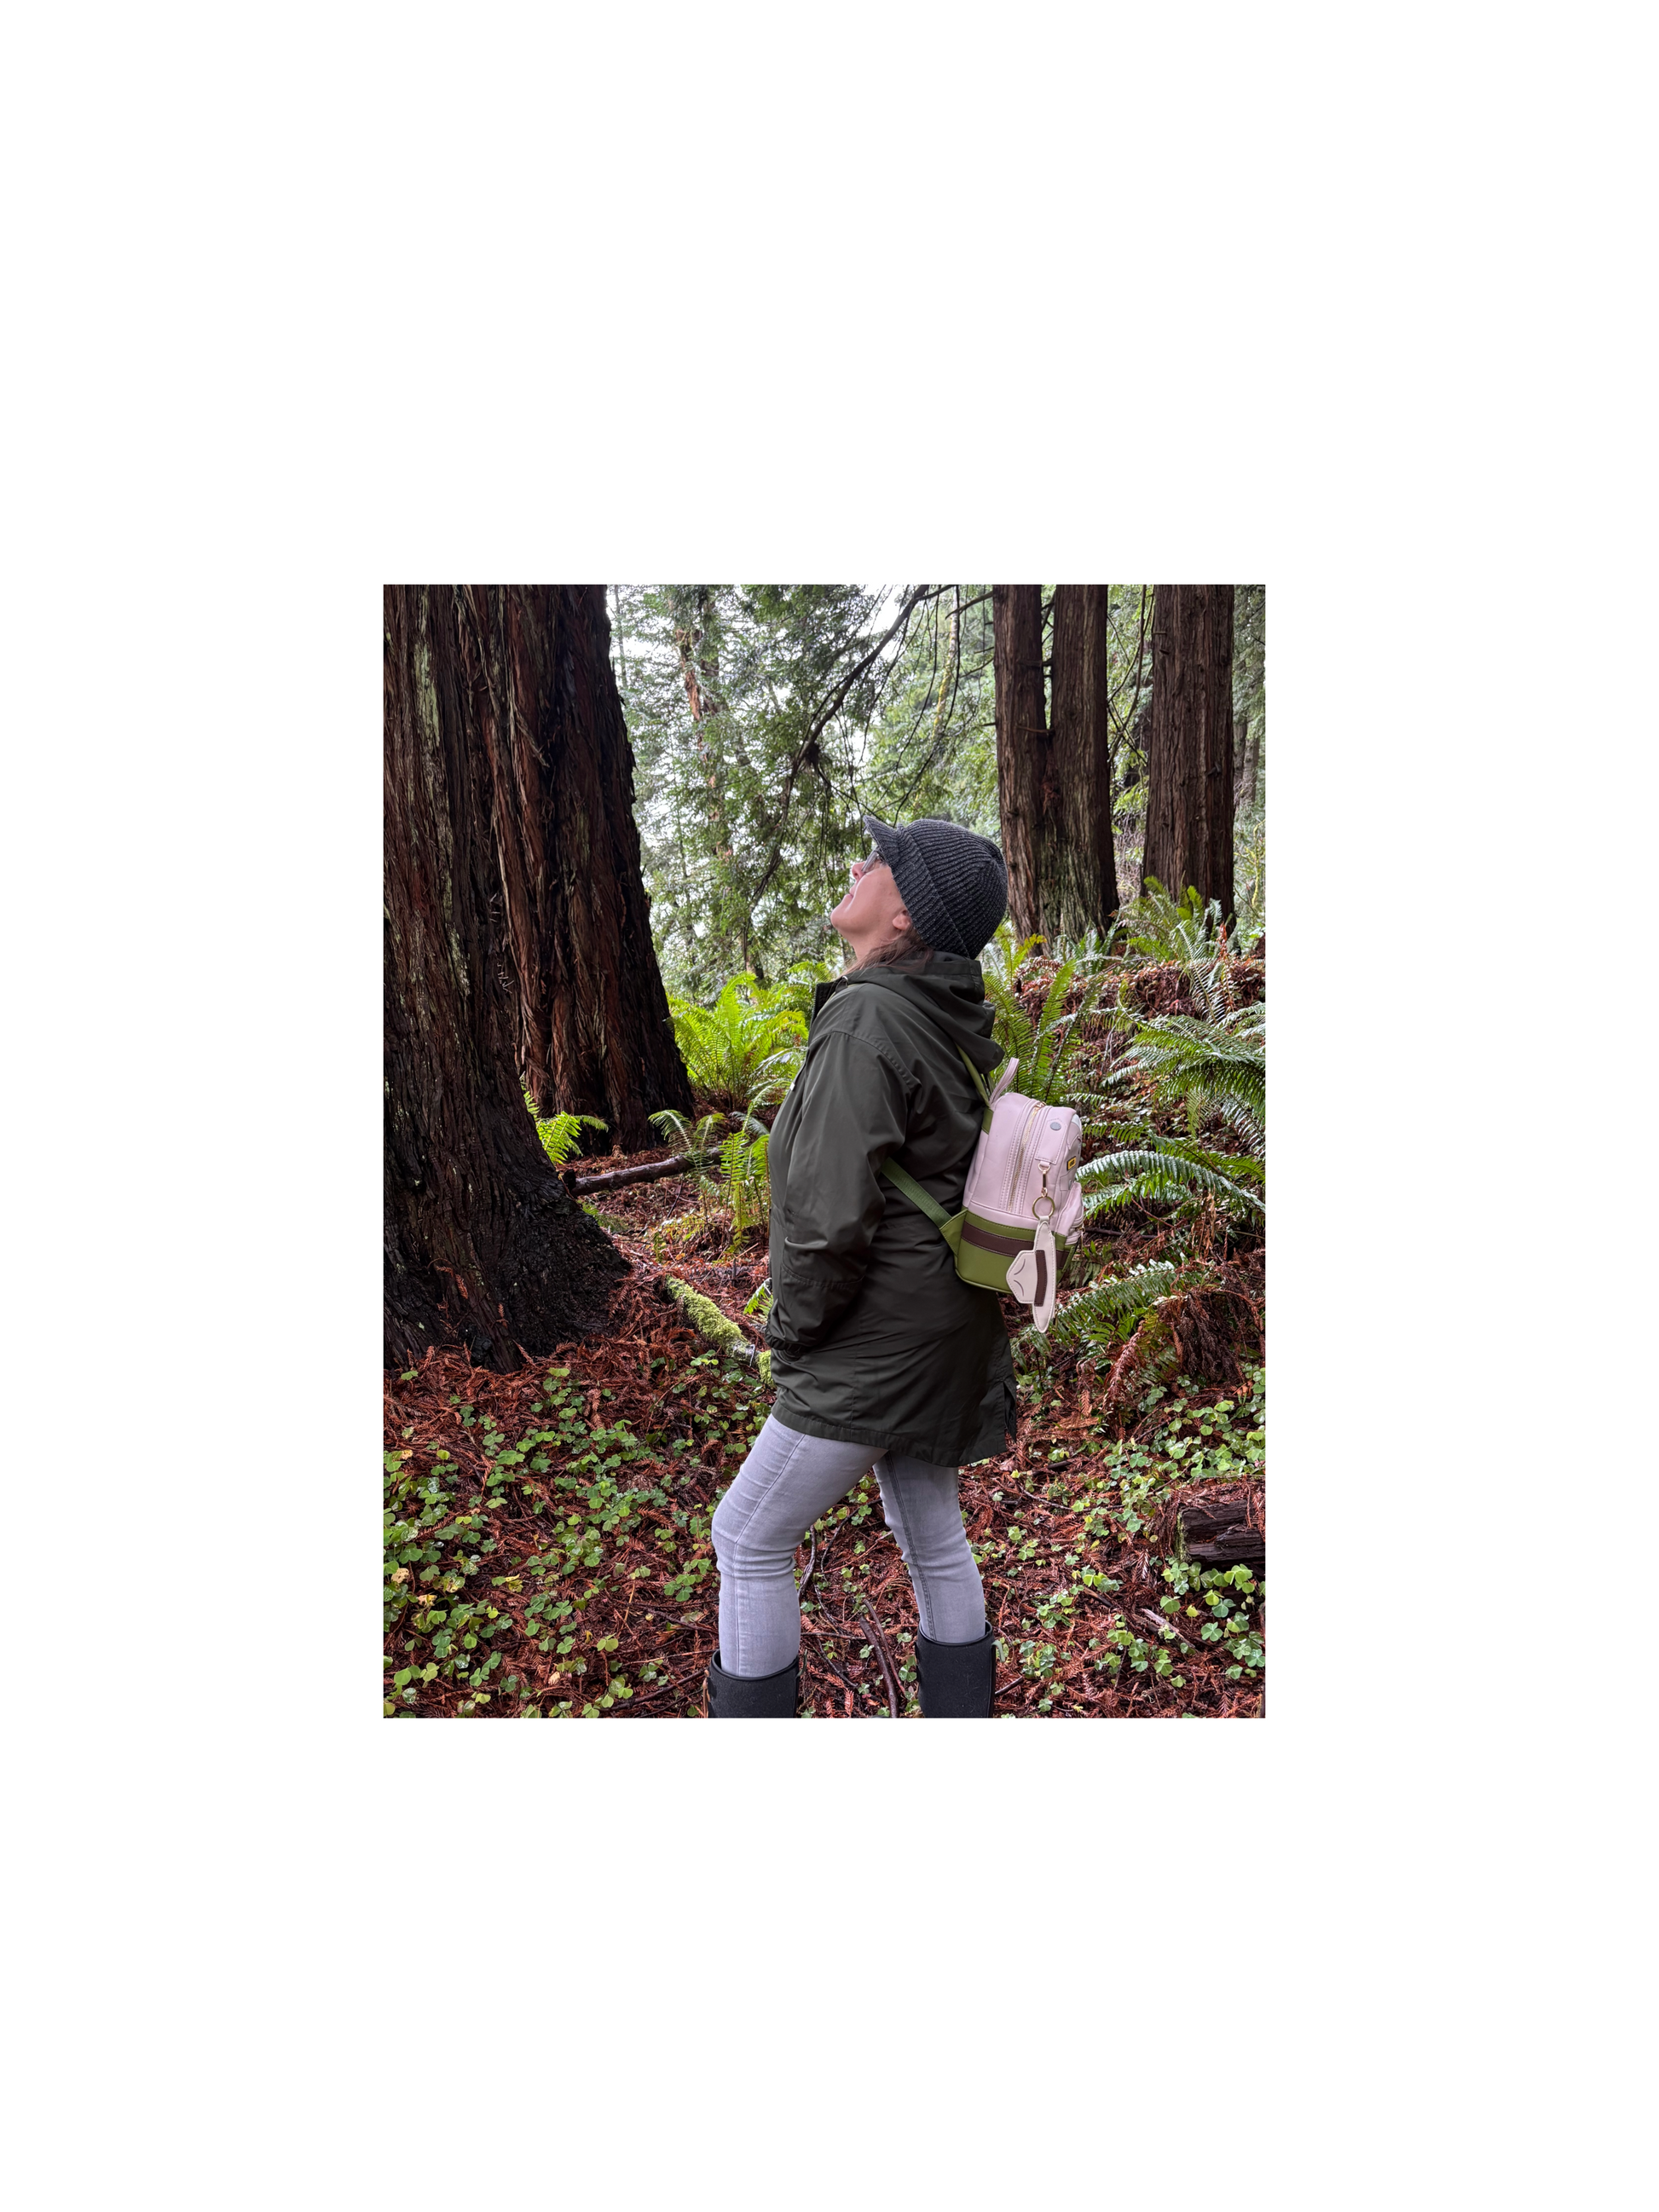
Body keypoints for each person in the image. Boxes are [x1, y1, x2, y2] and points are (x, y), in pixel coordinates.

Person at [705, 813, 1015, 1718]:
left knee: (748, 1535)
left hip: (876, 1337)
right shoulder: (938, 1012)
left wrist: (793, 1332)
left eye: (878, 859)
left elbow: (828, 1216)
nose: (857, 863)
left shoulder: (867, 1019)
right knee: (932, 1536)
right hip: (943, 1324)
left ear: (906, 913)